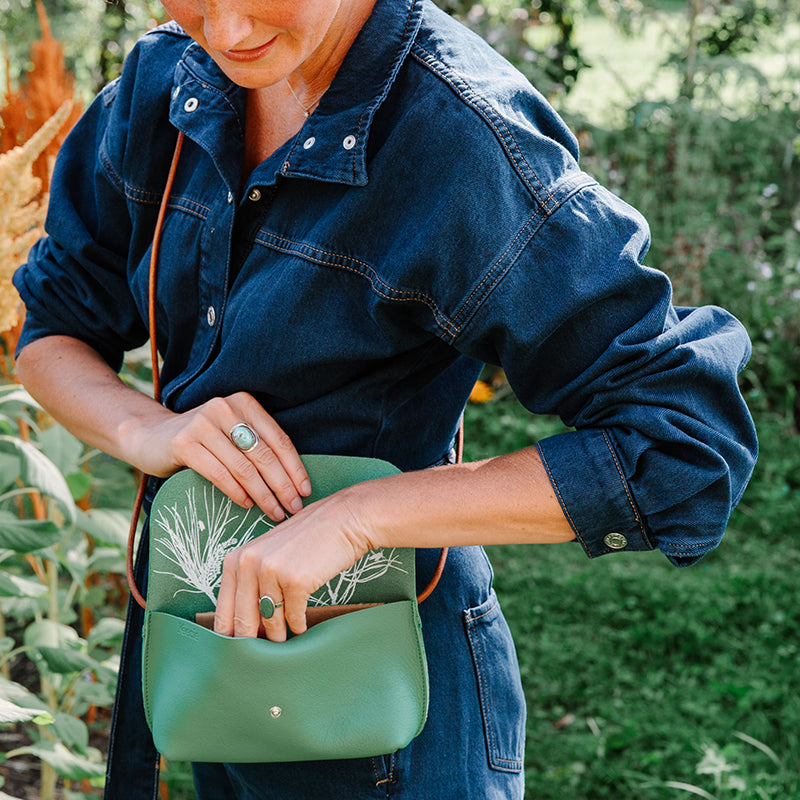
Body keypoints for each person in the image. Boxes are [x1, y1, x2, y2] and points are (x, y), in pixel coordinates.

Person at [13, 0, 757, 797]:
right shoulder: (161, 84)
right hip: (210, 665)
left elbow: (685, 445)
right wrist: (149, 430)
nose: (225, 31)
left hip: (389, 708)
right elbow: (53, 331)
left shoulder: (462, 138)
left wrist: (356, 518)